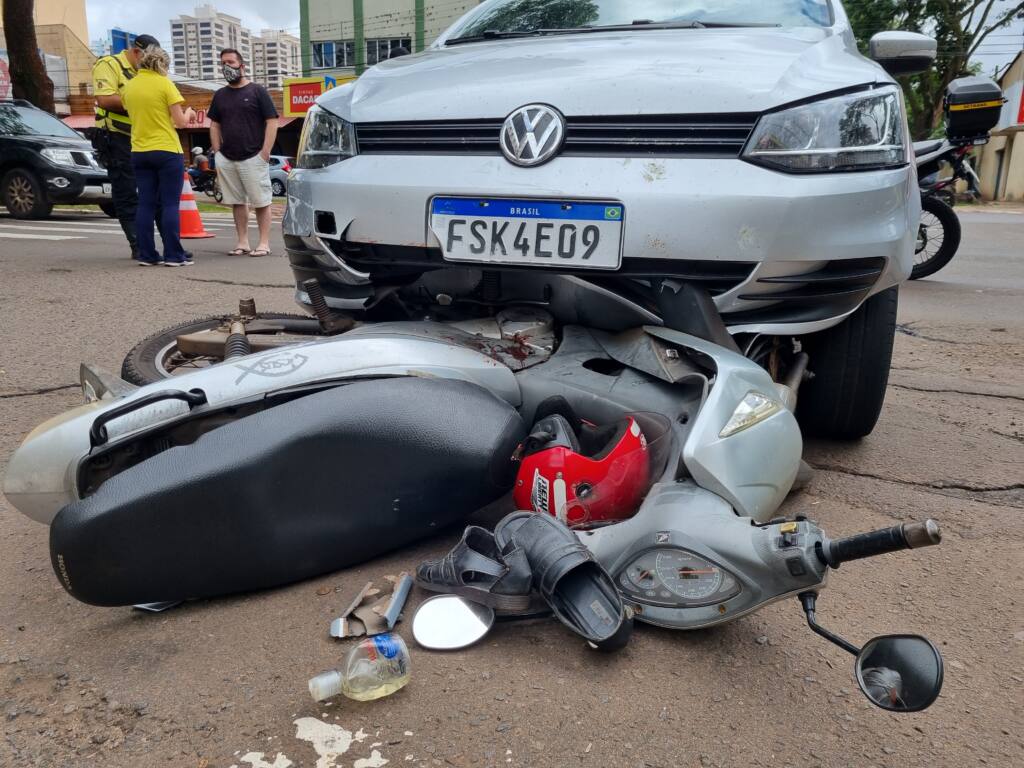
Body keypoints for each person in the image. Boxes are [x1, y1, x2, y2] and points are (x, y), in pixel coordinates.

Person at [121, 43, 197, 267]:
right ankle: (174, 255)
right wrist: (190, 113)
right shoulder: (165, 84)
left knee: (145, 203)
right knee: (170, 204)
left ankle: (146, 254)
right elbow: (180, 122)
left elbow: (133, 112)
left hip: (139, 150)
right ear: (162, 64)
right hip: (166, 150)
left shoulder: (129, 87)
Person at [92, 33, 165, 259]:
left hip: (145, 136)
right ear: (136, 52)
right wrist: (141, 100)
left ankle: (170, 245)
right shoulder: (109, 65)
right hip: (117, 137)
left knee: (159, 193)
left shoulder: (147, 70)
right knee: (127, 191)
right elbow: (104, 99)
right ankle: (138, 245)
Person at [208, 48, 279, 257]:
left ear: (242, 65)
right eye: (223, 63)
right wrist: (218, 153)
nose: (226, 67)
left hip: (254, 156)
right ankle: (242, 242)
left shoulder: (257, 91)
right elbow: (214, 125)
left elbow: (272, 121)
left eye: (230, 62)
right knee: (237, 202)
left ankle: (264, 243)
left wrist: (265, 152)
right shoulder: (220, 95)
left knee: (261, 202)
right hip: (228, 158)